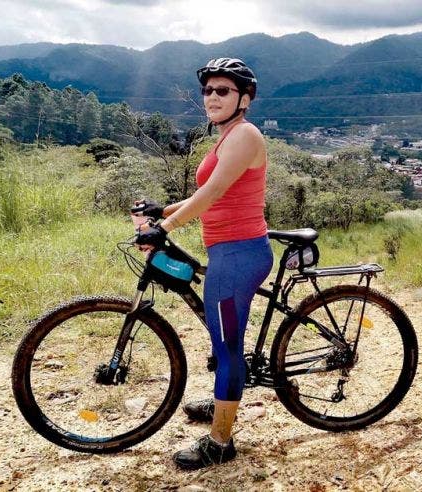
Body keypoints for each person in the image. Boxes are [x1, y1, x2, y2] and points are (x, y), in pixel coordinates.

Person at [133, 57, 273, 470]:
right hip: (227, 251)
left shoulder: (245, 135)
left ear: (244, 98)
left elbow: (211, 192)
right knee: (217, 333)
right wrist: (164, 211)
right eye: (208, 91)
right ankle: (222, 401)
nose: (212, 97)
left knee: (228, 349)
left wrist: (168, 225)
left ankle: (220, 442)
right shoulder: (226, 137)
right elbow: (212, 194)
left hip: (240, 254)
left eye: (223, 90)